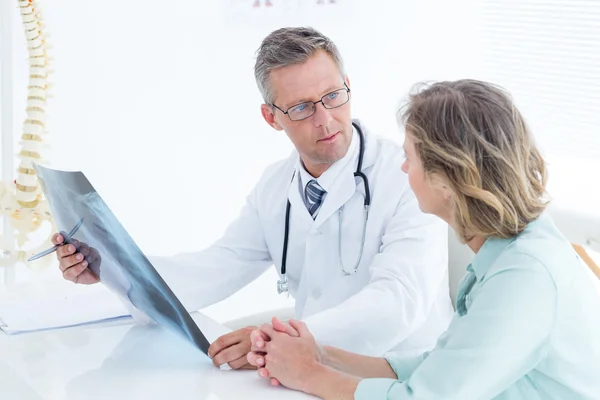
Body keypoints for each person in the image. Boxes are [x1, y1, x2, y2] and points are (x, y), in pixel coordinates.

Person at [52, 27, 453, 370]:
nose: (324, 118)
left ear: (349, 87)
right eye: (300, 107)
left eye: (333, 95)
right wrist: (111, 268)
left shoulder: (408, 175)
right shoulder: (275, 186)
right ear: (271, 117)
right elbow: (216, 266)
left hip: (402, 372)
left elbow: (399, 303)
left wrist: (280, 338)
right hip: (310, 369)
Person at [246, 79, 600, 399]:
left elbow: (425, 396)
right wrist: (320, 354)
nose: (403, 169)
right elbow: (438, 368)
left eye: (409, 158)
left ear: (447, 179)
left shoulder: (525, 277)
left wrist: (309, 374)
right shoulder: (509, 252)